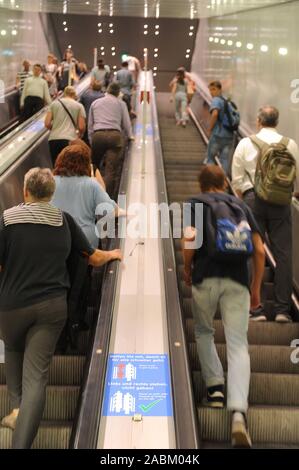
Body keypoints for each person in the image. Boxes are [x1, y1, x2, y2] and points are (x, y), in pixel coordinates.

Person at [0, 168, 122, 449]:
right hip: (50, 307)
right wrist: (114, 254)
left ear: (25, 191)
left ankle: (18, 411)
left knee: (14, 352)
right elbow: (92, 257)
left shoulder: (8, 219)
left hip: (10, 307)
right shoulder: (62, 220)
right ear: (52, 194)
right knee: (36, 378)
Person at [182, 165, 265, 448]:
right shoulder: (241, 205)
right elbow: (260, 250)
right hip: (238, 280)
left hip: (206, 276)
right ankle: (239, 411)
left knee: (204, 332)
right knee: (238, 343)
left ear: (202, 183)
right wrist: (255, 288)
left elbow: (190, 242)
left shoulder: (195, 203)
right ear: (224, 183)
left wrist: (186, 269)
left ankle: (215, 388)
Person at [232, 105, 299, 322]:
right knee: (284, 255)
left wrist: (246, 201)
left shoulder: (245, 143)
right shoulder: (291, 145)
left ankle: (256, 309)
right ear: (277, 122)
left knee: (253, 251)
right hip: (282, 201)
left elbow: (237, 181)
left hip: (253, 200)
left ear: (259, 121)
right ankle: (282, 310)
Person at [51, 144, 116, 248]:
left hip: (57, 239)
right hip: (85, 241)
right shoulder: (91, 183)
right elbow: (108, 209)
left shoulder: (50, 182)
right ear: (86, 163)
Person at [89, 82, 133, 200]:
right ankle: (106, 199)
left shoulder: (95, 103)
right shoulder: (121, 103)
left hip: (97, 135)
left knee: (93, 166)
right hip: (115, 136)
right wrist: (130, 136)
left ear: (107, 91)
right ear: (118, 93)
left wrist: (91, 139)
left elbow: (90, 124)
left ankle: (90, 193)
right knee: (111, 170)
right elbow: (126, 123)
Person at [45, 86, 86, 166]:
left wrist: (54, 129)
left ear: (64, 94)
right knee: (68, 167)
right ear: (74, 95)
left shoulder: (54, 104)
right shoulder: (79, 106)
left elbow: (47, 123)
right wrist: (80, 134)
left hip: (54, 139)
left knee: (56, 166)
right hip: (70, 140)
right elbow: (81, 127)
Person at [206, 80, 235, 175]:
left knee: (210, 158)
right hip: (229, 136)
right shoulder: (226, 101)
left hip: (217, 135)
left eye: (214, 89)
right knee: (224, 160)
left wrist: (209, 129)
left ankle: (210, 181)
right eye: (210, 90)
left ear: (219, 89)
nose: (211, 92)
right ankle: (223, 182)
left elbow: (214, 114)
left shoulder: (216, 100)